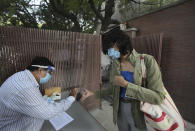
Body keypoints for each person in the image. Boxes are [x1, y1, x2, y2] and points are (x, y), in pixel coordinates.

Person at [90, 26, 166, 131]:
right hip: (120, 110)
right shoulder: (115, 64)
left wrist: (126, 85)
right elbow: (113, 89)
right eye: (107, 51)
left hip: (139, 112)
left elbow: (158, 97)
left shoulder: (148, 61)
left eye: (110, 49)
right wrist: (94, 94)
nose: (109, 53)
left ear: (120, 43)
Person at [0, 56, 87, 131]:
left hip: (12, 116)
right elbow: (47, 113)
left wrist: (51, 95)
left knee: (47, 99)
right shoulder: (26, 87)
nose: (51, 76)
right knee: (39, 115)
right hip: (7, 126)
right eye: (49, 73)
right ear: (40, 70)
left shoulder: (22, 76)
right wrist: (71, 98)